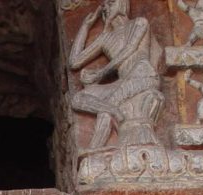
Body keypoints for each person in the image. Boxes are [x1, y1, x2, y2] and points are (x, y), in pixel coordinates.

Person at [68, 0, 164, 150]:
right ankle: (112, 110)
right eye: (104, 6)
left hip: (142, 75)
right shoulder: (105, 38)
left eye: (111, 3)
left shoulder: (139, 23)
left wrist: (100, 73)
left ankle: (94, 149)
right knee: (78, 99)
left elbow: (129, 49)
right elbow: (74, 62)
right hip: (123, 82)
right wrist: (85, 27)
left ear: (122, 4)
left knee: (111, 103)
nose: (106, 8)